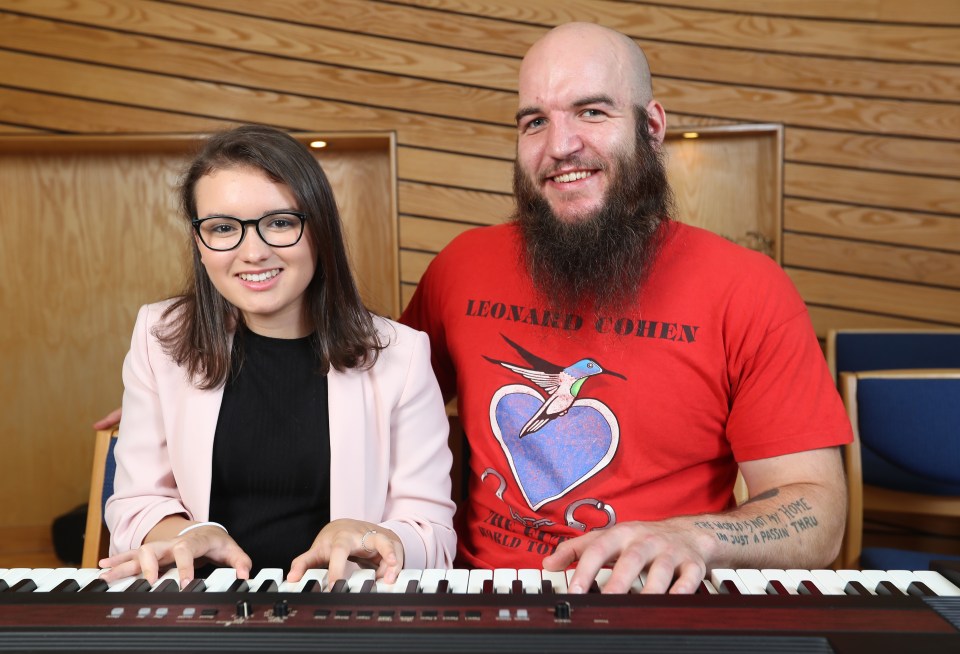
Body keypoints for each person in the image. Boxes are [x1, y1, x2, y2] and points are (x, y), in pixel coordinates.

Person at [399, 22, 852, 594]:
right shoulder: (458, 268)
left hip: (658, 603)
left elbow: (819, 512)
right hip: (483, 603)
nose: (560, 146)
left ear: (652, 126)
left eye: (591, 111)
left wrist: (693, 538)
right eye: (535, 121)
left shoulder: (749, 290)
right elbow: (374, 413)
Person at [98, 124, 456, 591]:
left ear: (319, 230)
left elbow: (434, 534)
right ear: (199, 243)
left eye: (281, 223)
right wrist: (189, 535)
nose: (253, 252)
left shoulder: (402, 356)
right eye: (223, 228)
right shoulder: (158, 336)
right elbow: (135, 503)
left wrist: (370, 536)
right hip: (206, 610)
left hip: (342, 612)